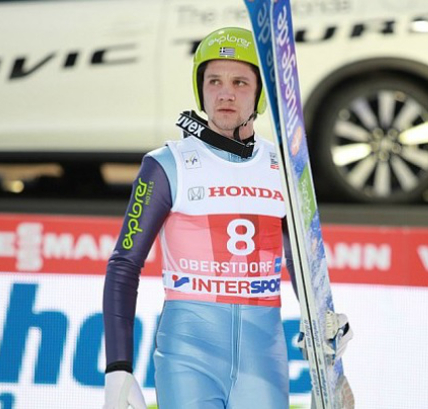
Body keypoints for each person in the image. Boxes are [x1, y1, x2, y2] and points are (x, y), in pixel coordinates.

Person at [102, 27, 351, 409]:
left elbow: (302, 261)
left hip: (262, 358)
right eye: (214, 81)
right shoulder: (166, 164)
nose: (225, 93)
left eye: (240, 82)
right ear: (201, 90)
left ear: (259, 94)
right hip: (188, 355)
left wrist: (321, 321)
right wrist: (118, 368)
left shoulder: (286, 168)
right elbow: (124, 264)